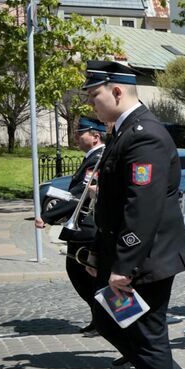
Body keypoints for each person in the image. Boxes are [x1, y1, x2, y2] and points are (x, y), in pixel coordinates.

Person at [82, 60, 185, 369]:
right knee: (108, 317)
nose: (92, 105)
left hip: (148, 258)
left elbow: (142, 208)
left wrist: (124, 266)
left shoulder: (144, 134)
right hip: (130, 253)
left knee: (147, 336)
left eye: (94, 95)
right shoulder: (125, 130)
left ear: (116, 91)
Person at [37, 117, 108, 338]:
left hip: (89, 228)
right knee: (83, 275)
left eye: (81, 132)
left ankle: (111, 321)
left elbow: (80, 196)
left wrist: (48, 216)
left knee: (90, 277)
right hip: (83, 228)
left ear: (96, 136)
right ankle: (102, 319)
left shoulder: (98, 157)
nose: (77, 136)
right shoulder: (91, 158)